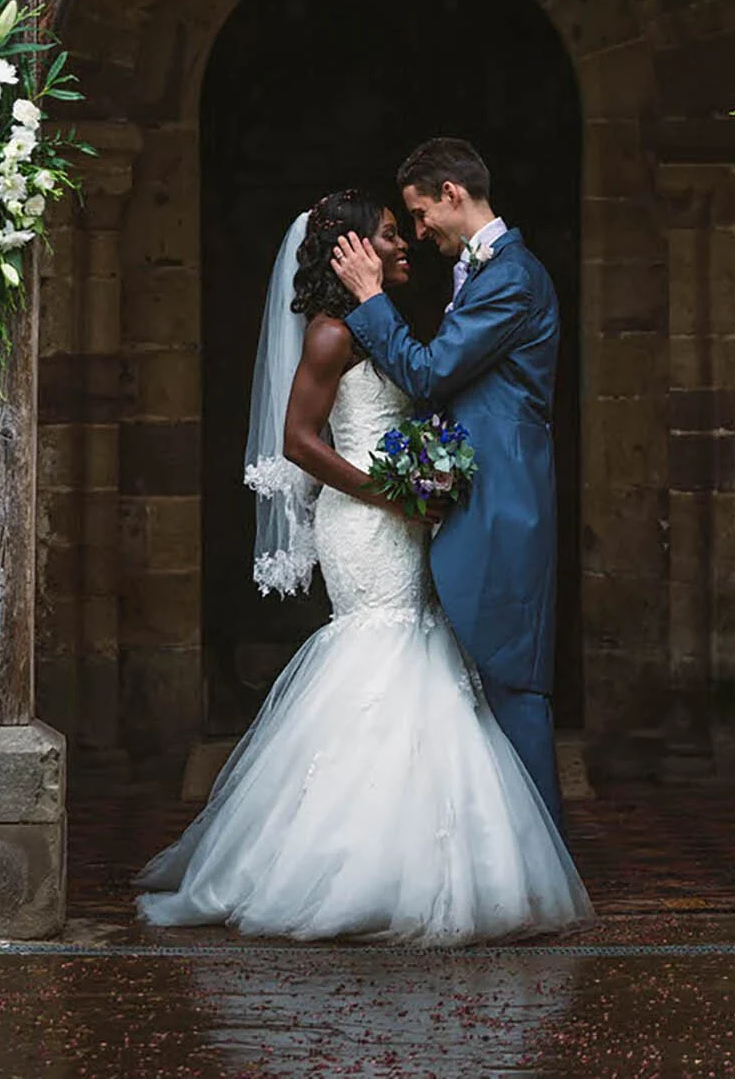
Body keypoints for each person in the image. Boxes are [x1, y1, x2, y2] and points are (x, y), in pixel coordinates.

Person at [134, 190, 591, 943]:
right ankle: (337, 866)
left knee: (423, 667)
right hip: (367, 526)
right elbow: (300, 441)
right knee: (379, 661)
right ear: (352, 253)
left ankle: (419, 861)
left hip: (405, 521)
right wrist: (393, 494)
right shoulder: (328, 334)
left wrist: (426, 482)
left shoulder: (379, 328)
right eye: (389, 235)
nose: (405, 243)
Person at [332, 139, 565, 828]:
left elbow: (432, 375)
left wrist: (371, 298)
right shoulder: (484, 272)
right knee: (476, 685)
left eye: (420, 211)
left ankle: (536, 859)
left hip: (505, 501)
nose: (417, 230)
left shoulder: (512, 278)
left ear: (452, 195)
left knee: (511, 677)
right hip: (474, 497)